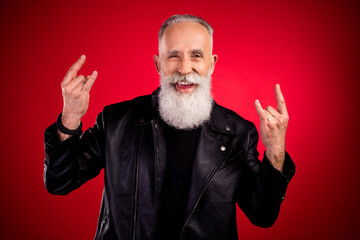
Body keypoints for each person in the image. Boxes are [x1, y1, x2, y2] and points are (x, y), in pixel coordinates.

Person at [44, 14, 295, 240]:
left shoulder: (239, 133)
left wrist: (275, 153)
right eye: (173, 56)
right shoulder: (115, 121)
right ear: (158, 64)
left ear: (212, 64)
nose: (185, 69)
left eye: (196, 56)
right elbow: (60, 182)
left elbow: (262, 216)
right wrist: (70, 118)